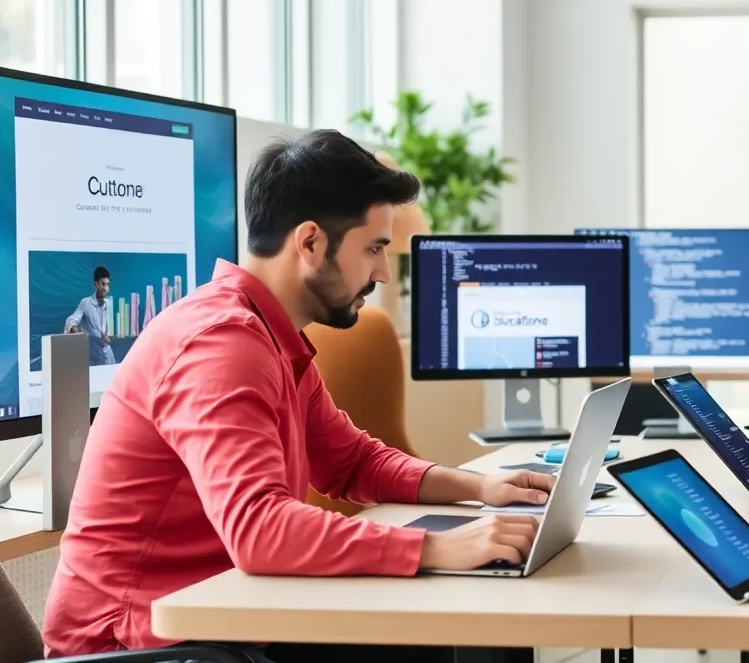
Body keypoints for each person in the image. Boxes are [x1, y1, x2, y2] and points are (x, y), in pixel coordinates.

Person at [42, 130, 554, 661]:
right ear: (310, 243)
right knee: (436, 635)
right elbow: (260, 529)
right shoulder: (222, 344)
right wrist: (440, 547)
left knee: (438, 631)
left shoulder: (270, 334)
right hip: (136, 646)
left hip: (222, 620)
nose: (383, 272)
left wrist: (481, 487)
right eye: (374, 248)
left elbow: (352, 463)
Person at [65, 265, 115, 365]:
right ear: (95, 284)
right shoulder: (86, 302)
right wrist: (73, 328)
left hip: (108, 353)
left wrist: (108, 338)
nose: (106, 288)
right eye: (103, 284)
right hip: (93, 355)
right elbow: (72, 319)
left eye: (108, 285)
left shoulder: (108, 304)